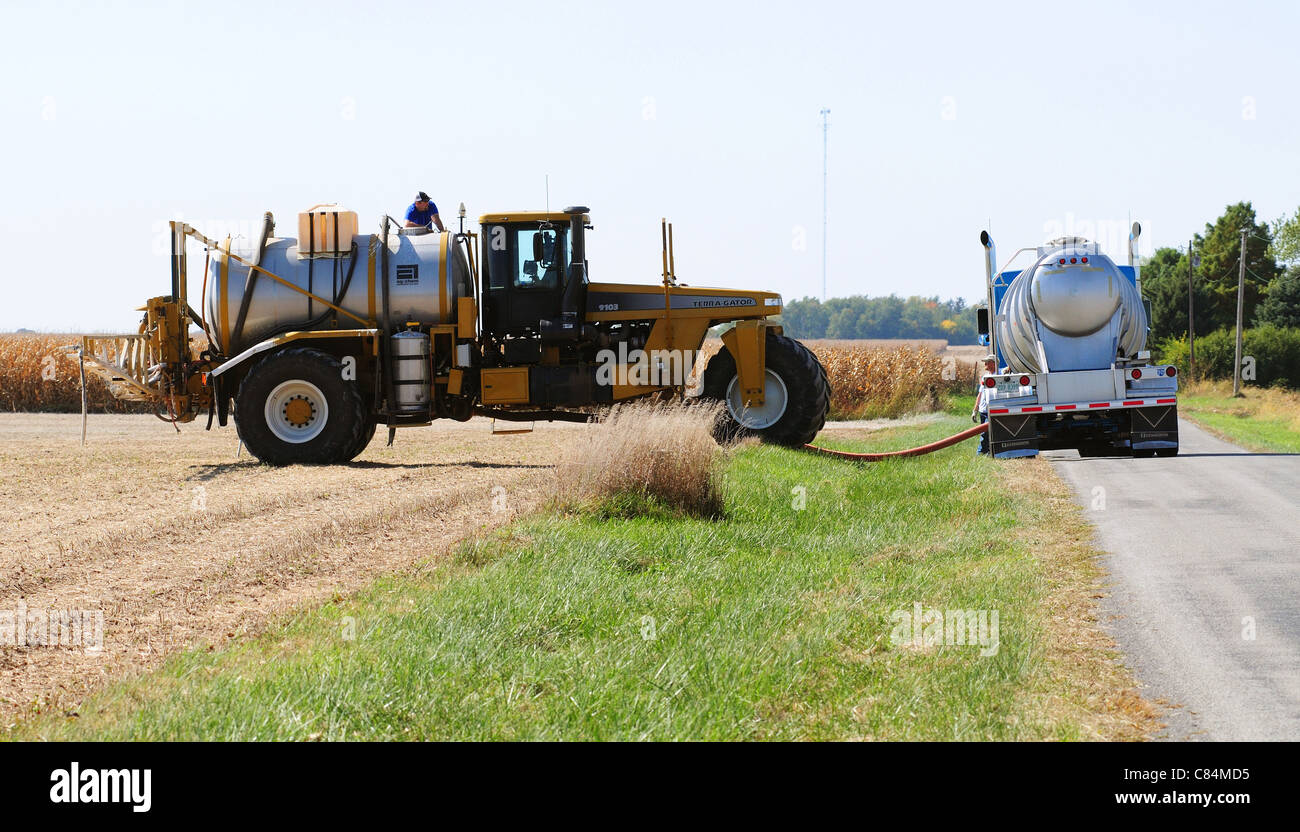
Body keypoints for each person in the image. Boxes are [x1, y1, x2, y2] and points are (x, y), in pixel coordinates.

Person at [973, 354, 997, 455]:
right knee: (984, 433)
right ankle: (986, 452)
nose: (985, 364)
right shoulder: (985, 377)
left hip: (990, 410)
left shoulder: (999, 375)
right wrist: (975, 410)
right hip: (983, 410)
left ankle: (981, 452)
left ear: (994, 363)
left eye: (988, 362)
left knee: (986, 433)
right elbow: (980, 394)